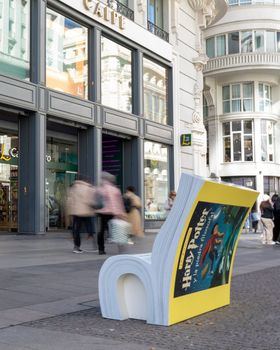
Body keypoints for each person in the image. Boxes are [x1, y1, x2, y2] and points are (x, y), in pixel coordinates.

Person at [96, 172, 126, 255]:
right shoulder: (115, 190)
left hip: (102, 212)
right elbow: (119, 202)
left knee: (101, 231)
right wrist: (121, 213)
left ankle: (101, 249)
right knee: (116, 229)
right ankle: (121, 247)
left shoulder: (100, 189)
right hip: (113, 212)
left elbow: (96, 201)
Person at [66, 177, 95, 253]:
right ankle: (92, 238)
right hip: (86, 212)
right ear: (86, 181)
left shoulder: (73, 187)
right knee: (90, 227)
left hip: (76, 212)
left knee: (76, 230)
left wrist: (70, 211)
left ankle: (76, 247)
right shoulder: (89, 188)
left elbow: (70, 200)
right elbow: (91, 200)